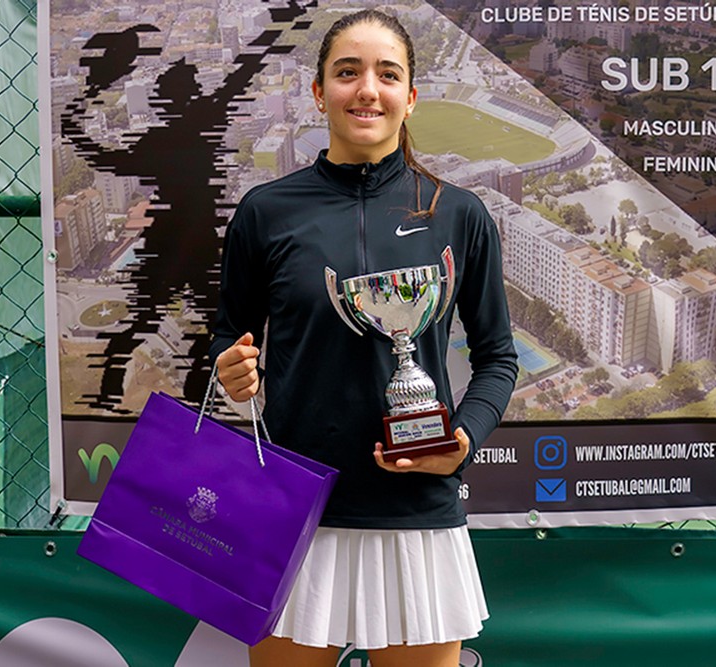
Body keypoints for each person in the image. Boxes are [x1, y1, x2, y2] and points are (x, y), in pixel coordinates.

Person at [208, 8, 518, 667]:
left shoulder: (461, 214)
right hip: (293, 508)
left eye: (387, 74)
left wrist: (460, 442)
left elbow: (497, 358)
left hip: (415, 509)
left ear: (411, 96)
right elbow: (224, 338)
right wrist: (230, 370)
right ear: (320, 93)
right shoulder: (265, 211)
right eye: (347, 73)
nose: (366, 89)